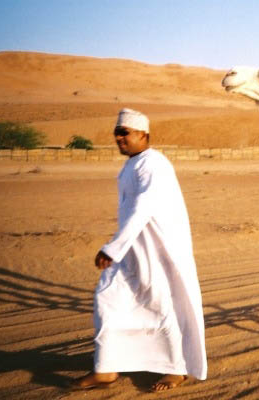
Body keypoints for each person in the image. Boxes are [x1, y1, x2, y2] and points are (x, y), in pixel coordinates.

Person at [72, 108, 207, 392]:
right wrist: (121, 246)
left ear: (144, 134)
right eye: (117, 133)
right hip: (132, 249)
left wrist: (113, 247)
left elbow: (144, 207)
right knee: (107, 300)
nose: (119, 138)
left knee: (161, 305)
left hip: (157, 251)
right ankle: (105, 369)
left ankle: (176, 370)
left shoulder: (153, 163)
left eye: (125, 133)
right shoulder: (132, 165)